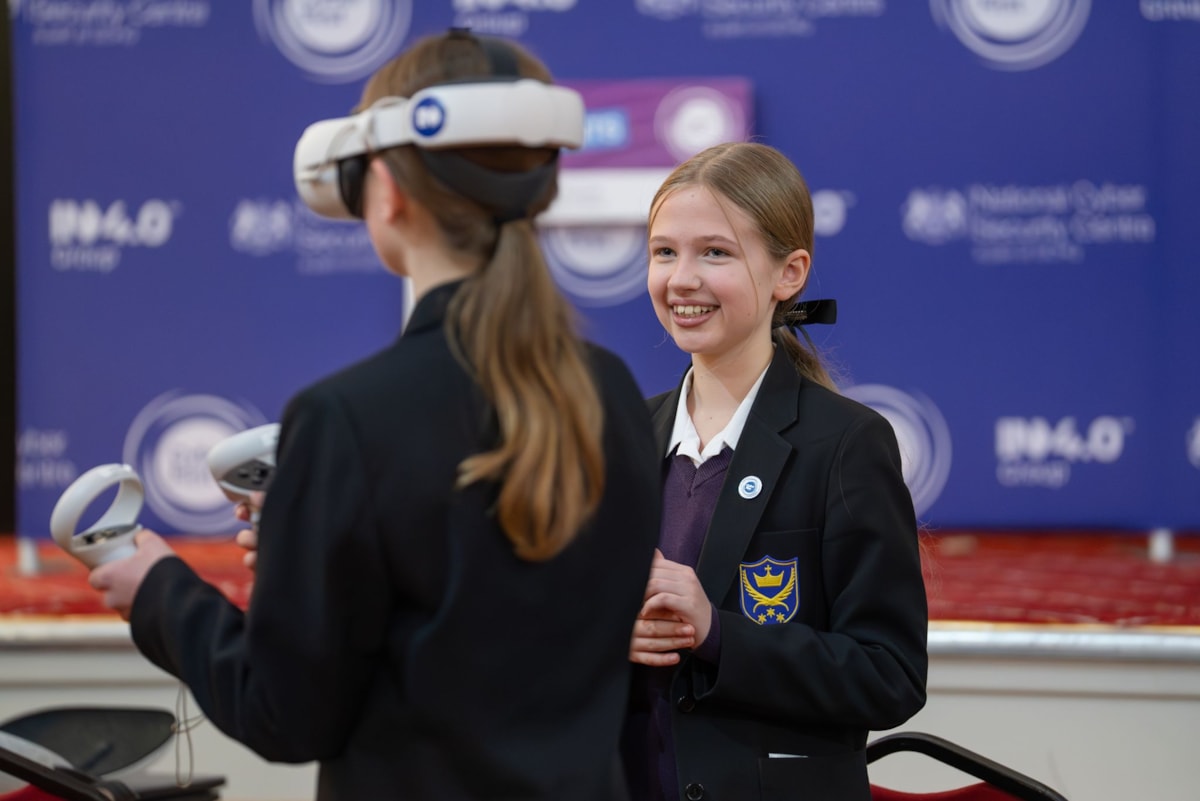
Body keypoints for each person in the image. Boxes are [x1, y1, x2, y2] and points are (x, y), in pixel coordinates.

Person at [87, 30, 661, 801]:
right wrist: (314, 539)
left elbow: (286, 714)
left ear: (383, 189)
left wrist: (160, 591)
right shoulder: (614, 390)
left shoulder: (348, 418)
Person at [621, 141, 928, 801]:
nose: (681, 279)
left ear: (789, 273)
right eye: (664, 252)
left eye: (716, 252)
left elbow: (889, 673)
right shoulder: (616, 435)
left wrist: (718, 632)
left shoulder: (846, 443)